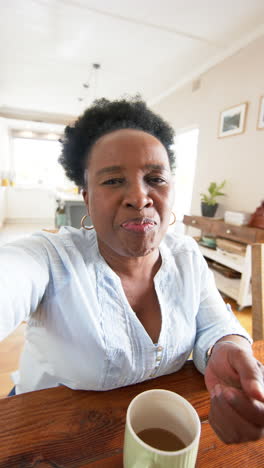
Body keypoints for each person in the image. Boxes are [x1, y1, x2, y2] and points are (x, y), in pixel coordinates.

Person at [0, 97, 263, 444]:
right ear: (87, 199)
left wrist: (226, 347)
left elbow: (214, 322)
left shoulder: (185, 254)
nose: (140, 197)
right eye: (112, 181)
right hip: (43, 438)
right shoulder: (50, 259)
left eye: (155, 178)